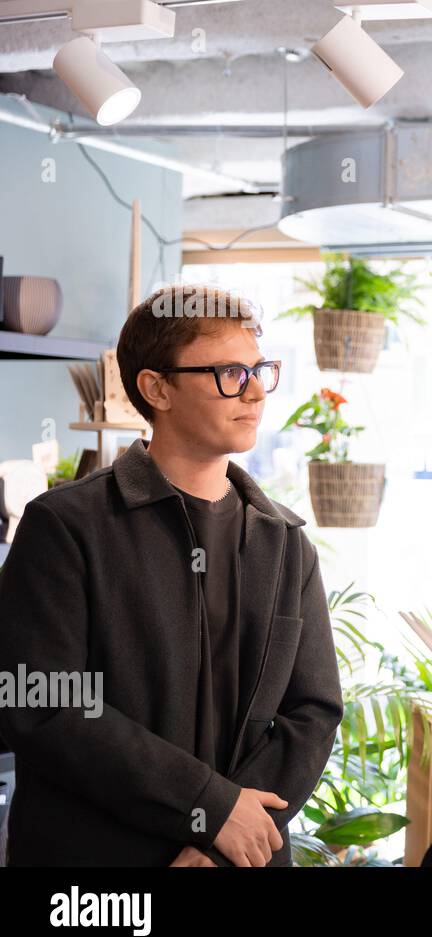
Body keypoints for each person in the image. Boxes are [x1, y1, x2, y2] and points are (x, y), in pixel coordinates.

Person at [0, 284, 342, 866]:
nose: (255, 390)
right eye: (230, 372)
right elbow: (43, 701)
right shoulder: (66, 525)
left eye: (260, 368)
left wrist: (226, 839)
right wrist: (210, 808)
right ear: (157, 388)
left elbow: (311, 713)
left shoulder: (285, 541)